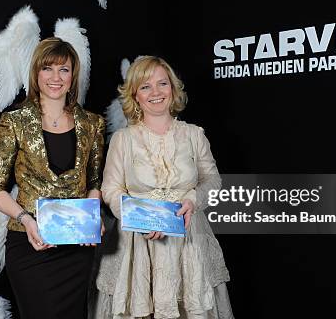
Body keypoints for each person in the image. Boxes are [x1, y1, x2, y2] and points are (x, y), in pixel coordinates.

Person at [95, 56, 233, 318]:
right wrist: (139, 218)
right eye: (146, 86)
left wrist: (193, 199)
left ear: (173, 88)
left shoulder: (194, 135)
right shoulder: (123, 140)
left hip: (189, 240)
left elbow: (213, 180)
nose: (156, 92)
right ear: (135, 95)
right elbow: (111, 189)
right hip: (138, 245)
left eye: (162, 83)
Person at [0, 37, 105, 319]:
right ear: (36, 74)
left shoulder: (92, 123)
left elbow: (95, 182)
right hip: (30, 245)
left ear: (73, 76)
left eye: (64, 70)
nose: (55, 77)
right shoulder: (14, 120)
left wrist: (92, 217)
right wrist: (26, 220)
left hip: (76, 248)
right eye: (47, 68)